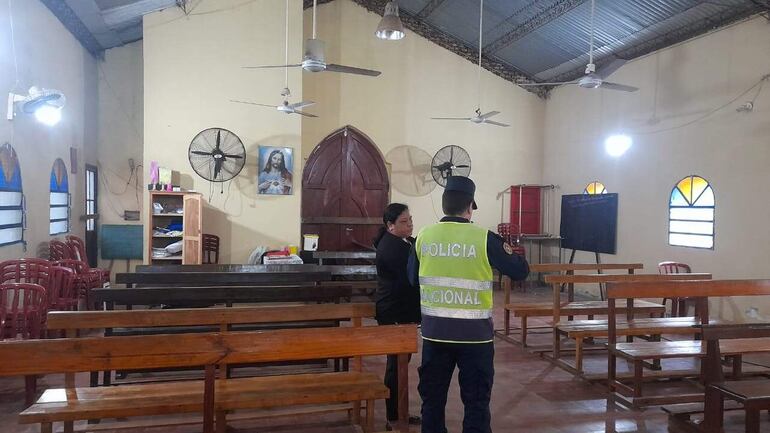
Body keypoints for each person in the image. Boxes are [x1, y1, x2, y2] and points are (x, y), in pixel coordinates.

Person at [408, 176, 528, 433]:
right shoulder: (484, 238)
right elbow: (520, 271)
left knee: (432, 399)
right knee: (476, 401)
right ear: (470, 206)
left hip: (435, 334)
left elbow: (411, 278)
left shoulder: (423, 237)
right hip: (475, 338)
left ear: (444, 205)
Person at [373, 203, 421, 430]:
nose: (410, 224)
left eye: (410, 220)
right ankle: (394, 414)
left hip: (399, 310)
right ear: (390, 225)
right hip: (394, 311)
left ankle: (399, 411)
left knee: (401, 363)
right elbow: (411, 278)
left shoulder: (400, 242)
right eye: (404, 222)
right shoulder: (392, 248)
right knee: (396, 364)